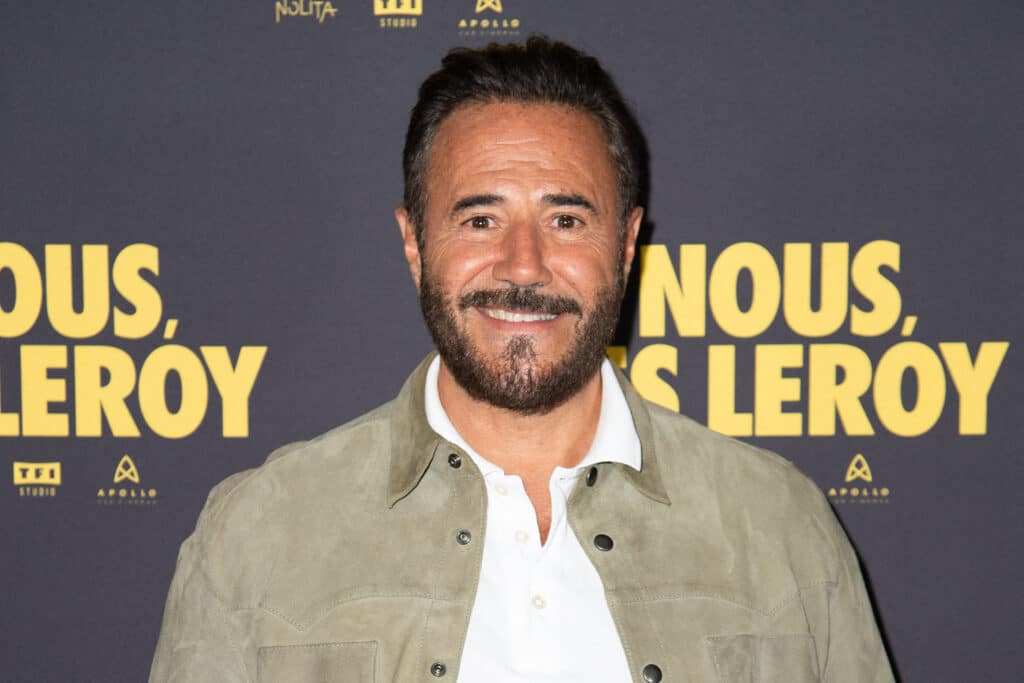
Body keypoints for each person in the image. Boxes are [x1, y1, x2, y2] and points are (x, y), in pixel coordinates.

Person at [150, 37, 895, 683]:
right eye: (481, 219)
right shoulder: (256, 535)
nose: (524, 265)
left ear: (627, 246)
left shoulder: (779, 526)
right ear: (414, 244)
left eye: (565, 219)